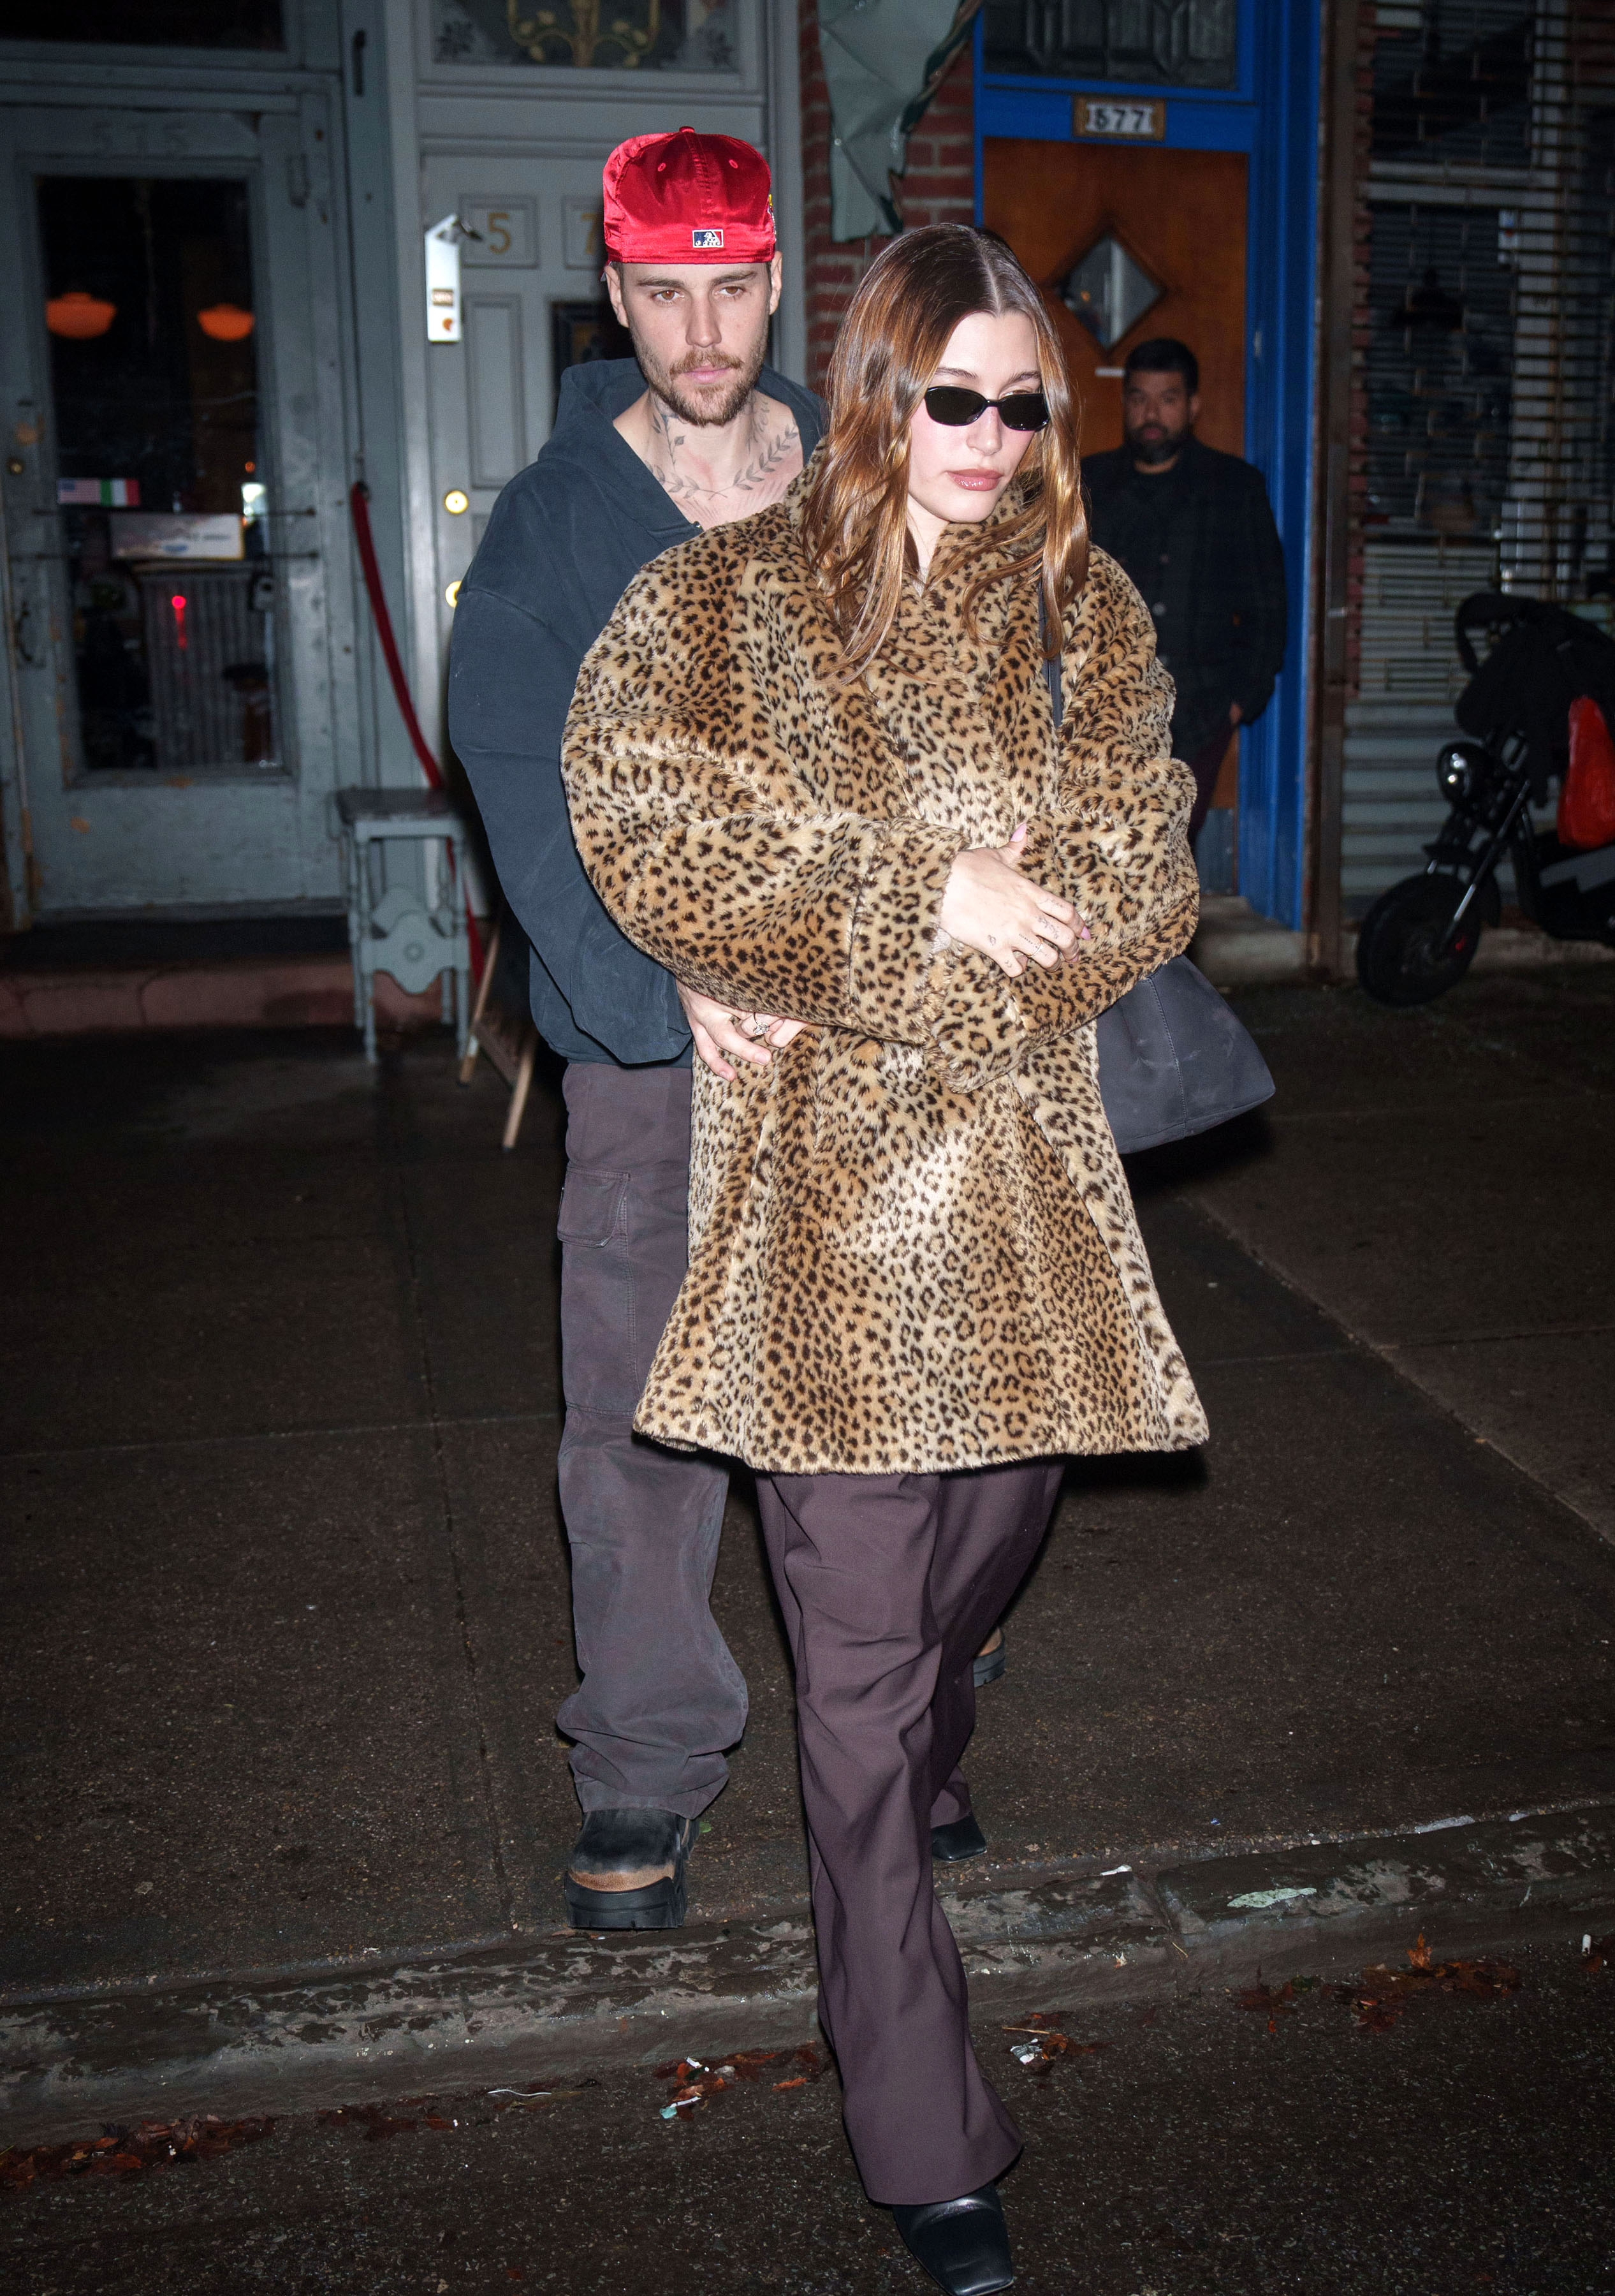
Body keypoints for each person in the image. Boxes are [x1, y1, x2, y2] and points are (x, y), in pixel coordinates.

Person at [562, 224, 1206, 2295]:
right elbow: (640, 808)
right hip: (828, 1237)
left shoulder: (1082, 607)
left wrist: (1021, 915)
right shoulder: (724, 599)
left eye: (1028, 404)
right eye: (958, 397)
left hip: (1020, 1220)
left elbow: (1144, 868)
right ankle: (924, 2135)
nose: (994, 438)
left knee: (976, 1575)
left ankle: (936, 1749)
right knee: (851, 1694)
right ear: (878, 393)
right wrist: (916, 891)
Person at [447, 129, 825, 1931]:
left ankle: (899, 1726)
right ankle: (648, 1765)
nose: (698, 331)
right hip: (650, 1038)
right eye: (661, 293)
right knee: (641, 1415)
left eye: (729, 289)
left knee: (899, 1410)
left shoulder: (863, 477)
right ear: (616, 291)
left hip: (869, 1029)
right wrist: (649, 975)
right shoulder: (555, 519)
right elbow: (518, 781)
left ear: (772, 282)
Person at [1082, 337, 1287, 843]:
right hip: (1100, 712)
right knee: (1095, 855)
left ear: (1192, 406)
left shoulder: (1234, 488)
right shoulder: (1087, 483)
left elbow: (1267, 607)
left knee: (1169, 857)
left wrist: (1238, 704)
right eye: (1138, 399)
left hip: (1197, 711)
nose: (1151, 414)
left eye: (1167, 399)